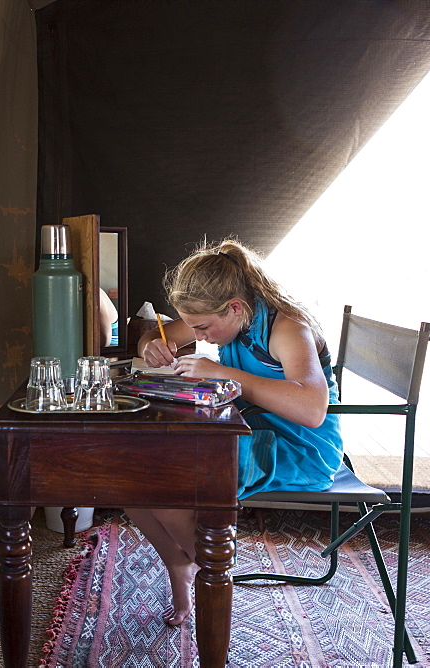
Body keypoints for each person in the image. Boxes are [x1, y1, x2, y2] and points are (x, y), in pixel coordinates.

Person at [126, 237, 343, 627]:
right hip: (245, 429)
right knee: (125, 476)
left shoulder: (288, 327)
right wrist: (151, 345)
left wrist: (224, 373)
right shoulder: (222, 316)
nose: (199, 337)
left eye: (204, 328)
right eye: (194, 328)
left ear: (235, 308)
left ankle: (211, 571)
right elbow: (162, 335)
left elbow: (311, 409)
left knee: (163, 481)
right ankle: (180, 563)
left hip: (296, 448)